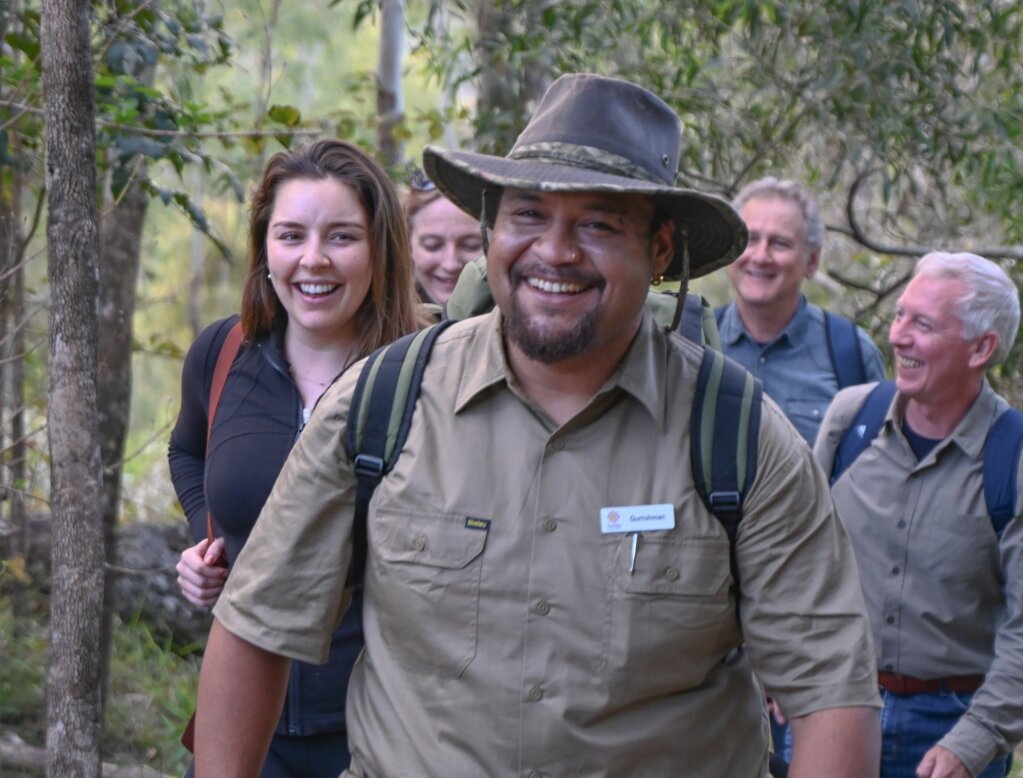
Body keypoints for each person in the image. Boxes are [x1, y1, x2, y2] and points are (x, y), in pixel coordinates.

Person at [192, 73, 881, 777]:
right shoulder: (385, 402)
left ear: (662, 250)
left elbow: (831, 693)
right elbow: (256, 628)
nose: (554, 251)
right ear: (491, 228)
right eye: (527, 216)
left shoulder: (738, 439)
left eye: (598, 224)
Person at [168, 139, 424, 777]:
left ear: (379, 249)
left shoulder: (425, 376)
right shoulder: (223, 354)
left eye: (342, 237)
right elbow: (186, 452)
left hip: (383, 728)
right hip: (249, 728)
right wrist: (211, 540)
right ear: (265, 249)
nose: (314, 260)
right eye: (290, 235)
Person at [815, 252, 1023, 778]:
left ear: (982, 348)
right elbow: (796, 565)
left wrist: (971, 746)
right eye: (900, 315)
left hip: (951, 722)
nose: (898, 336)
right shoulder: (850, 420)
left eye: (923, 324)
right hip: (834, 701)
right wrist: (782, 676)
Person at [716, 177, 885, 444]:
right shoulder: (693, 341)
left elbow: (875, 466)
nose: (760, 256)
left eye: (779, 243)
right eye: (749, 239)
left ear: (812, 261)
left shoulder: (851, 354)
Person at [404, 169, 484, 305]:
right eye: (432, 245)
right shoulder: (383, 322)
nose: (451, 265)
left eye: (471, 245)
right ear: (408, 246)